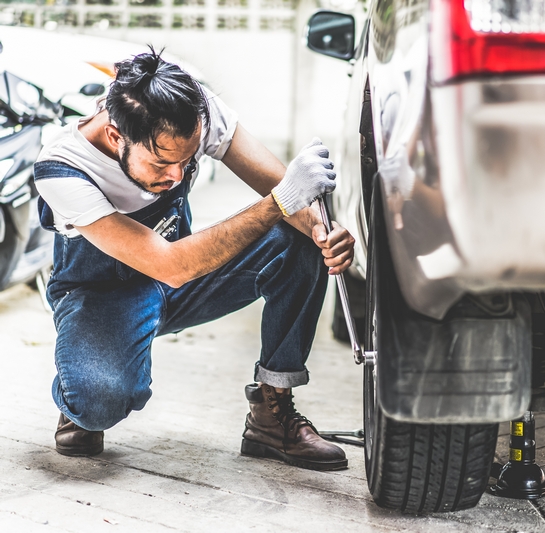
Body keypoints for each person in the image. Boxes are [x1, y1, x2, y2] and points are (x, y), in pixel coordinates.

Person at [32, 48, 355, 471]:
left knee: (298, 239)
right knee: (98, 400)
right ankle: (81, 398)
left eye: (188, 160)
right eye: (163, 162)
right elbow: (169, 264)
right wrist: (283, 200)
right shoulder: (61, 169)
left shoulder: (191, 108)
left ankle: (271, 414)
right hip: (105, 291)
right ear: (115, 137)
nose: (178, 177)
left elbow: (281, 192)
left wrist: (321, 231)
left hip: (185, 277)